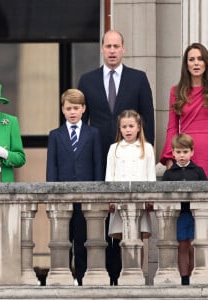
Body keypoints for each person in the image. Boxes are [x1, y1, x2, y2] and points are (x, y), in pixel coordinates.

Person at [77, 29, 155, 285]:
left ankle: (125, 273)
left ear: (123, 49)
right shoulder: (87, 80)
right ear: (102, 48)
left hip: (131, 159)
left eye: (116, 46)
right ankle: (102, 273)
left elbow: (148, 121)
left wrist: (146, 155)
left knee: (130, 219)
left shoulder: (139, 78)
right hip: (97, 158)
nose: (112, 50)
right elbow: (80, 121)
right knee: (101, 216)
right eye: (108, 46)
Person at [46, 88, 103, 286]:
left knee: (82, 239)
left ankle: (81, 277)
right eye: (68, 108)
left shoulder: (92, 133)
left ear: (83, 109)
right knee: (62, 240)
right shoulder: (55, 135)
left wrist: (97, 195)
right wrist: (51, 196)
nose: (72, 112)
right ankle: (63, 277)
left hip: (86, 197)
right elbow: (51, 167)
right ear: (62, 109)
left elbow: (97, 165)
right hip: (62, 197)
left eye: (76, 108)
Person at [161, 133, 207, 285]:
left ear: (192, 152)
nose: (182, 155)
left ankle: (194, 274)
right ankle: (184, 277)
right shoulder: (169, 174)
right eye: (178, 152)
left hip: (196, 216)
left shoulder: (198, 171)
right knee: (182, 246)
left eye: (185, 152)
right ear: (173, 153)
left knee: (195, 245)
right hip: (179, 215)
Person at [105, 109, 156, 242]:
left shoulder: (147, 148)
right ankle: (126, 264)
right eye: (124, 127)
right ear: (120, 129)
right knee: (123, 239)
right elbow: (110, 175)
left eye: (131, 126)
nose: (128, 130)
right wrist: (110, 198)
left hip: (140, 199)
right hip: (119, 200)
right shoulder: (114, 148)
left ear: (138, 127)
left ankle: (138, 264)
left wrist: (151, 198)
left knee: (139, 238)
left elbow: (151, 175)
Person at [160, 42, 208, 176]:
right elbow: (172, 127)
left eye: (200, 59)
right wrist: (170, 156)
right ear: (186, 65)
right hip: (185, 152)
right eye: (191, 59)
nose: (196, 63)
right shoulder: (176, 91)